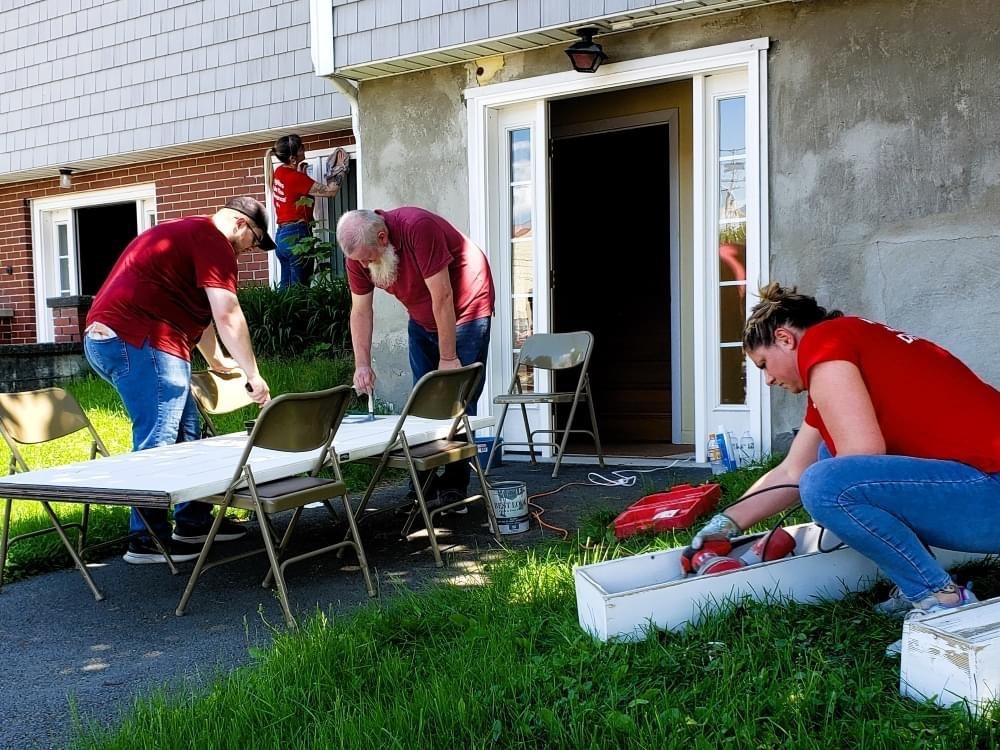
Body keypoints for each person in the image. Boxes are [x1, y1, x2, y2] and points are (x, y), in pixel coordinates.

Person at [692, 283, 1000, 651]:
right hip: (980, 488)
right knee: (824, 461)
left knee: (827, 482)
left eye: (763, 364)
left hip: (989, 489)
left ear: (785, 338)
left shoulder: (825, 342)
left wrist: (828, 503)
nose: (769, 379)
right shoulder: (849, 345)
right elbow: (791, 471)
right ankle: (919, 581)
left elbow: (859, 457)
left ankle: (944, 601)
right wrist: (725, 524)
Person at [84, 197, 274, 564]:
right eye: (254, 239)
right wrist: (253, 374)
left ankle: (193, 522)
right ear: (239, 224)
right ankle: (145, 539)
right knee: (159, 439)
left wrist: (216, 360)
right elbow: (227, 311)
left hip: (119, 337)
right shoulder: (214, 241)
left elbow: (195, 311)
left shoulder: (188, 234)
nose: (250, 250)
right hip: (141, 338)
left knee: (188, 432)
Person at [337, 207, 495, 505]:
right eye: (358, 260)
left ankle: (453, 486)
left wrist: (448, 358)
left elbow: (444, 295)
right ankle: (423, 483)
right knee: (423, 400)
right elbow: (360, 310)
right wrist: (362, 364)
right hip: (422, 315)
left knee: (457, 398)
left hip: (466, 305)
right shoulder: (358, 255)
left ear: (382, 237)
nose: (363, 265)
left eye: (368, 258)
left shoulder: (417, 228)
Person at [264, 134, 350, 288]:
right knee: (301, 291)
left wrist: (302, 174)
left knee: (287, 294)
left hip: (282, 238)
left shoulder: (279, 172)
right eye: (301, 148)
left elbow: (292, 194)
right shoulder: (296, 178)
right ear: (292, 158)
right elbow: (331, 191)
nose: (304, 149)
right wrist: (340, 169)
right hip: (297, 235)